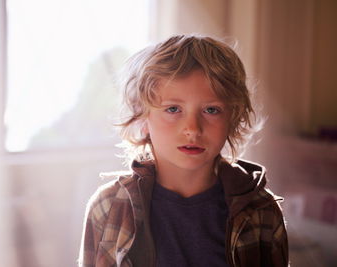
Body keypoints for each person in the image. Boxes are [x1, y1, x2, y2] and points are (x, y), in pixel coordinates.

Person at [78, 35, 289, 267]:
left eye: (211, 109)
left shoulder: (261, 210)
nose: (192, 128)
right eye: (173, 109)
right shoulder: (109, 206)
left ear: (233, 116)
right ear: (142, 115)